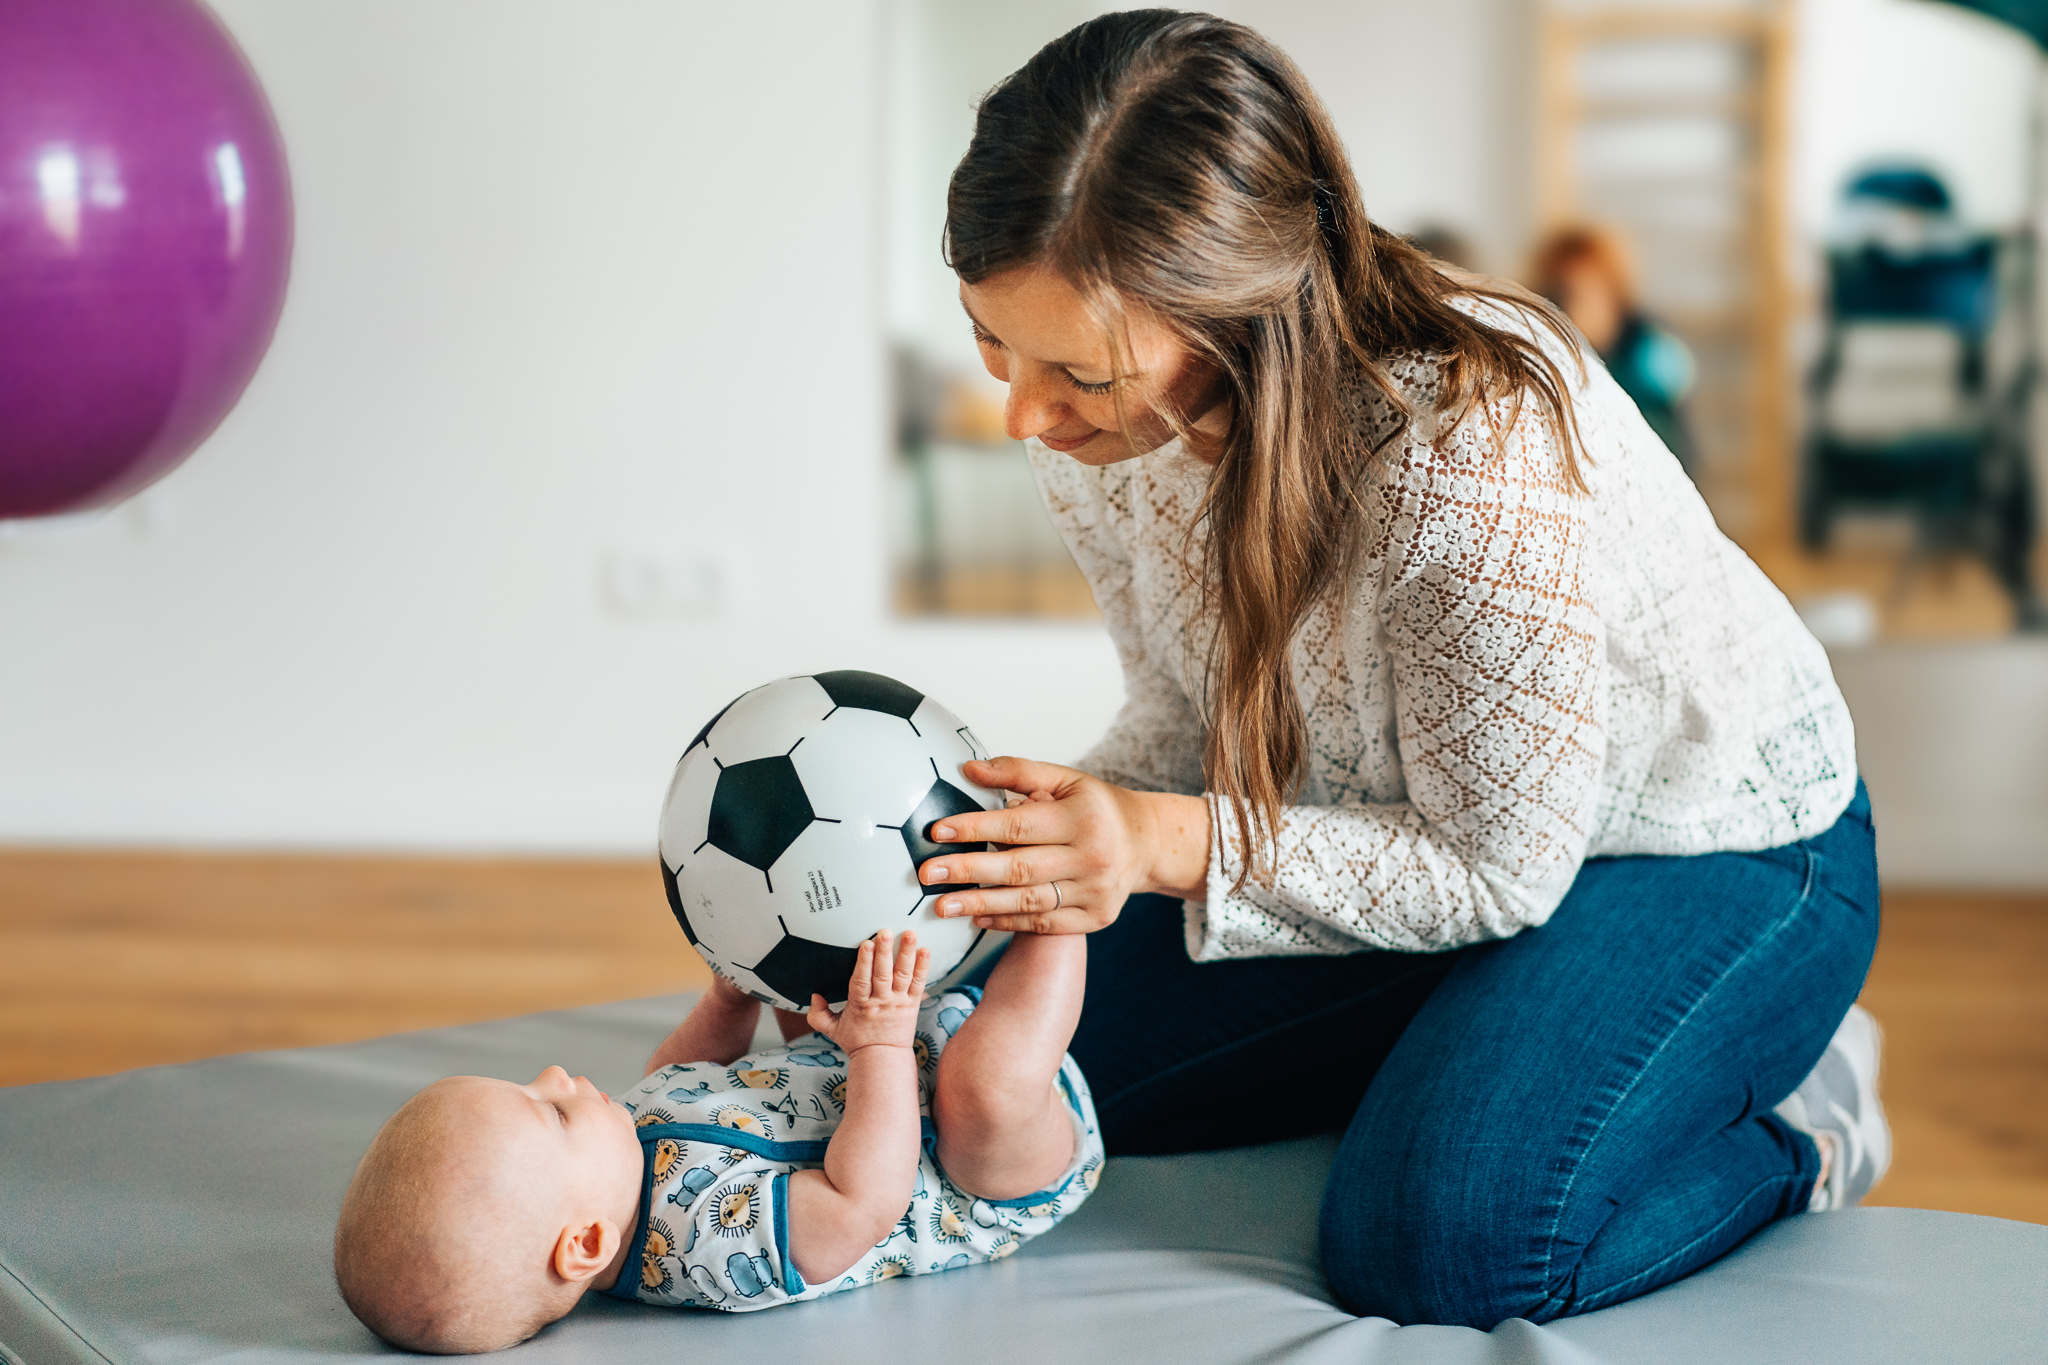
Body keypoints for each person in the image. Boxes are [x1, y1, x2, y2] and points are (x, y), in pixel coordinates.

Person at [906, 11, 1885, 1329]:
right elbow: (1180, 712)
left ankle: (1806, 1125)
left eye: (1077, 371)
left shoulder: (1464, 456)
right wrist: (996, 865)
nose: (1027, 414)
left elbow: (1498, 866)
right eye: (992, 348)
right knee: (986, 1074)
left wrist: (1156, 842)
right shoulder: (1105, 424)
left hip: (1709, 849)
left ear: (1235, 311)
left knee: (1440, 1246)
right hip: (1423, 838)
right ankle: (1471, 1034)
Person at [332, 930, 1100, 1351]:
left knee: (814, 969)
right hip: (973, 1170)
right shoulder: (708, 1250)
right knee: (989, 1086)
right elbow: (866, 1199)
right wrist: (882, 1047)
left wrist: (728, 995)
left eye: (532, 1082)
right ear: (588, 1240)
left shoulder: (616, 1159)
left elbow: (685, 1073)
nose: (556, 1071)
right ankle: (1065, 912)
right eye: (553, 1110)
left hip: (878, 1060)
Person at [1530, 225, 1699, 474]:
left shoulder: (1651, 352)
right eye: (1557, 295)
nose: (1568, 308)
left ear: (1612, 290)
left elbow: (1672, 446)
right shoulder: (1540, 347)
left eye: (1581, 293)